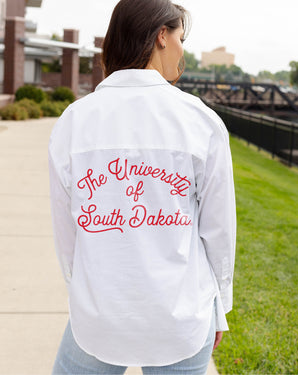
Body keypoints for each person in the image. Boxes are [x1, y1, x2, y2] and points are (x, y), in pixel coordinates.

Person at [49, 0, 236, 374]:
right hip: (180, 317)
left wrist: (85, 294)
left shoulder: (74, 120)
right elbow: (218, 234)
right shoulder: (199, 121)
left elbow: (67, 236)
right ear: (161, 36)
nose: (183, 49)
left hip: (99, 315)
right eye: (181, 37)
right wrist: (219, 307)